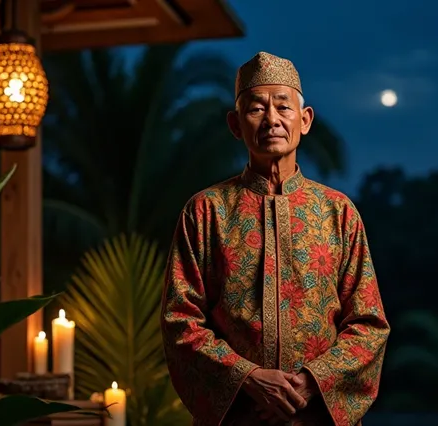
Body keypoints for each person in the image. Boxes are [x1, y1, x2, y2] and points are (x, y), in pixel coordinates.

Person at [160, 51, 390, 426]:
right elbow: (179, 320)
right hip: (239, 417)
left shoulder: (338, 212)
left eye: (283, 107)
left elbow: (369, 324)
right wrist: (248, 378)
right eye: (256, 109)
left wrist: (309, 383)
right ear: (235, 124)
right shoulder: (205, 211)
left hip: (316, 415)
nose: (271, 120)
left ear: (305, 120)